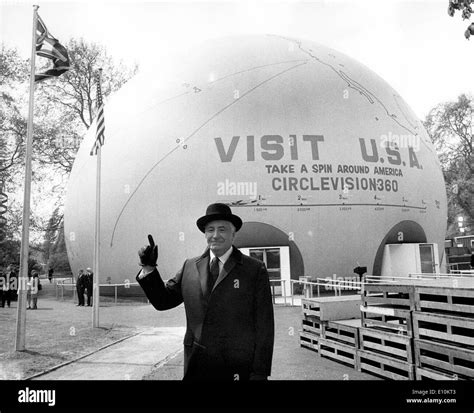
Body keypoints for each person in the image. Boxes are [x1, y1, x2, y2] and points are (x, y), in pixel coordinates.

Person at [136, 203, 275, 381]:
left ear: (234, 234)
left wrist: (260, 372)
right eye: (210, 230)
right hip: (197, 367)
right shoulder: (189, 267)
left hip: (238, 368)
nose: (215, 235)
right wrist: (149, 268)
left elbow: (264, 326)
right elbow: (163, 301)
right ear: (205, 234)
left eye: (222, 229)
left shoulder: (254, 270)